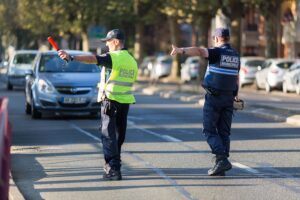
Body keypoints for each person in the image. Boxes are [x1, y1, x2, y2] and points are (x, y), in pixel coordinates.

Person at [58, 29, 138, 181]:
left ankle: (113, 169)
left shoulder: (113, 57)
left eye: (108, 41)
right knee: (118, 136)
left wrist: (71, 57)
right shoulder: (131, 59)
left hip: (110, 100)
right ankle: (116, 164)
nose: (106, 45)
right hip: (125, 101)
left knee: (108, 136)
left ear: (115, 42)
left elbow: (92, 59)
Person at [170, 28, 240, 176]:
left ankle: (221, 159)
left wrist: (180, 50)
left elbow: (200, 51)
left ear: (217, 38)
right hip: (229, 98)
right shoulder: (235, 55)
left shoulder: (217, 52)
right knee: (224, 132)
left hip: (214, 98)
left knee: (208, 129)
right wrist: (235, 96)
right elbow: (236, 77)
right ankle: (221, 164)